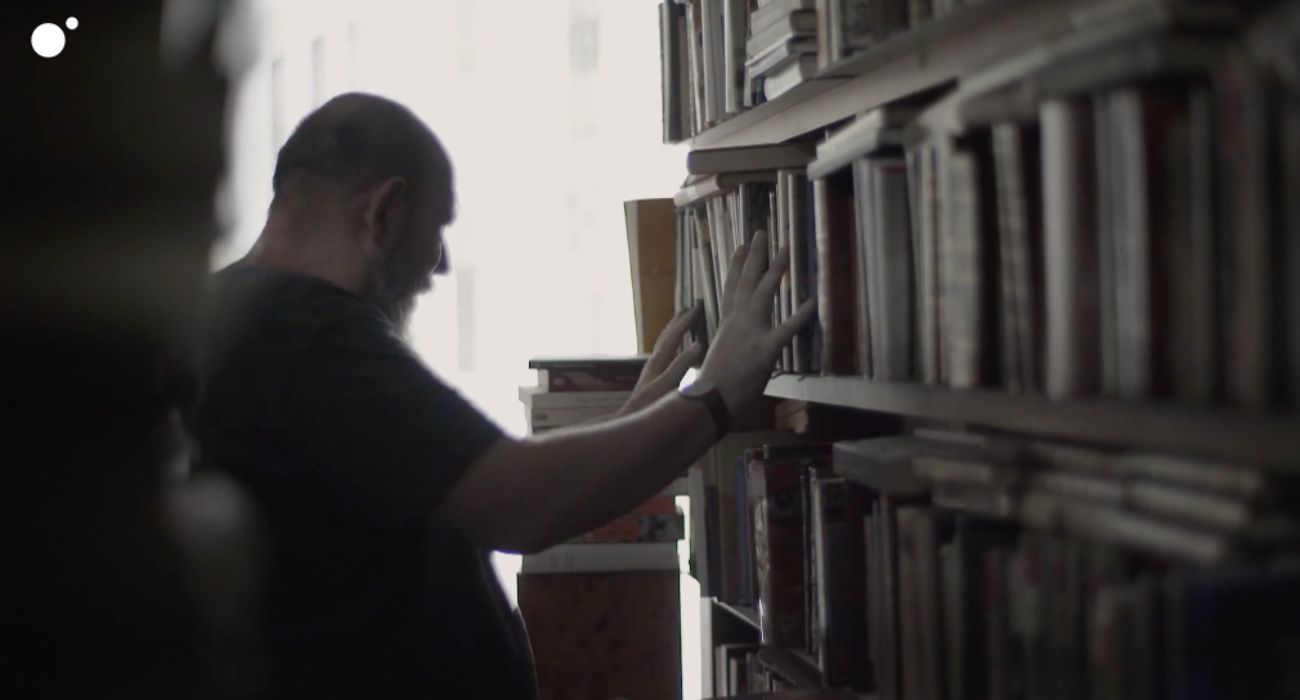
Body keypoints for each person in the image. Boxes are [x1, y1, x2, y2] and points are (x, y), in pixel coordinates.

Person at [188, 91, 815, 698]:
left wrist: (634, 421)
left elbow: (450, 496)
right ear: (384, 212)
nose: (439, 267)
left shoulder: (233, 314)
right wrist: (713, 399)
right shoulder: (307, 331)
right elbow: (517, 504)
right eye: (437, 230)